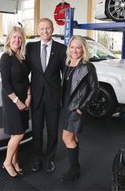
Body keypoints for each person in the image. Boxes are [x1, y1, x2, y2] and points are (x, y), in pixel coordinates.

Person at [25, 18, 67, 173]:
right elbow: (25, 73)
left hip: (53, 97)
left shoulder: (62, 49)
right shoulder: (31, 47)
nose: (45, 31)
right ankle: (37, 158)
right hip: (36, 97)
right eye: (42, 28)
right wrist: (26, 92)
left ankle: (49, 159)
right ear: (38, 31)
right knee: (36, 129)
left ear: (53, 30)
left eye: (48, 28)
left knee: (52, 130)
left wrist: (65, 98)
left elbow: (65, 75)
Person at [60, 35, 99, 181]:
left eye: (78, 47)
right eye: (72, 47)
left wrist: (81, 108)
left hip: (76, 108)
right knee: (73, 137)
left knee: (66, 137)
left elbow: (95, 89)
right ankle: (75, 168)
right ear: (69, 49)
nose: (75, 50)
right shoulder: (68, 64)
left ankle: (73, 169)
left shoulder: (88, 66)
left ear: (83, 49)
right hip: (65, 106)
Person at [0, 26, 31, 178]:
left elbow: (26, 79)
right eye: (14, 37)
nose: (17, 40)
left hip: (24, 98)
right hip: (12, 99)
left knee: (19, 133)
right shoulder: (6, 57)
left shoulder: (22, 57)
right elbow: (5, 84)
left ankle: (15, 161)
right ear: (9, 40)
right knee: (17, 134)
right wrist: (17, 101)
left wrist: (29, 95)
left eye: (19, 38)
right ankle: (7, 162)